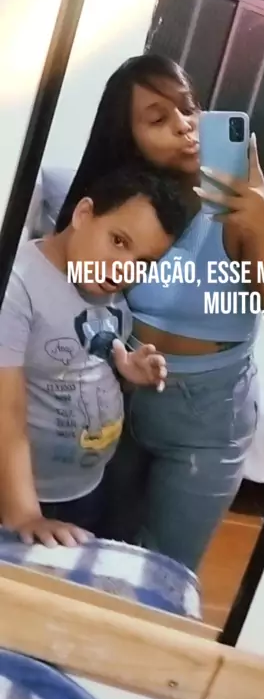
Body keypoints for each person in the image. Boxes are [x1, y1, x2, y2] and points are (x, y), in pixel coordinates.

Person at [54, 54, 264, 571]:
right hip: (120, 397)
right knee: (99, 548)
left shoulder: (246, 212)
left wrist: (262, 224)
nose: (184, 124)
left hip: (207, 418)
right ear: (128, 137)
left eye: (189, 107)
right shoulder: (121, 205)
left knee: (161, 569)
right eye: (158, 118)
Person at [0, 166, 187, 547]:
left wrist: (126, 366)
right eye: (118, 241)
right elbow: (7, 409)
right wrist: (23, 513)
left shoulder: (106, 290)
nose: (124, 269)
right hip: (25, 496)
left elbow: (88, 348)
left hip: (86, 487)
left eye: (144, 262)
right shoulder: (17, 283)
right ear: (83, 214)